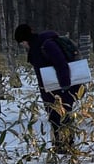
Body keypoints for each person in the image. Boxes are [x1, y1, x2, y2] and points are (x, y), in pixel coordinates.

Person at [14, 23, 81, 155]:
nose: (23, 46)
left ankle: (67, 146)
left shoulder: (46, 45)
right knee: (55, 118)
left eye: (22, 43)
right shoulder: (37, 46)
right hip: (51, 90)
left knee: (62, 117)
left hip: (61, 90)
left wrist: (64, 85)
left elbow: (61, 64)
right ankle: (60, 146)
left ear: (25, 40)